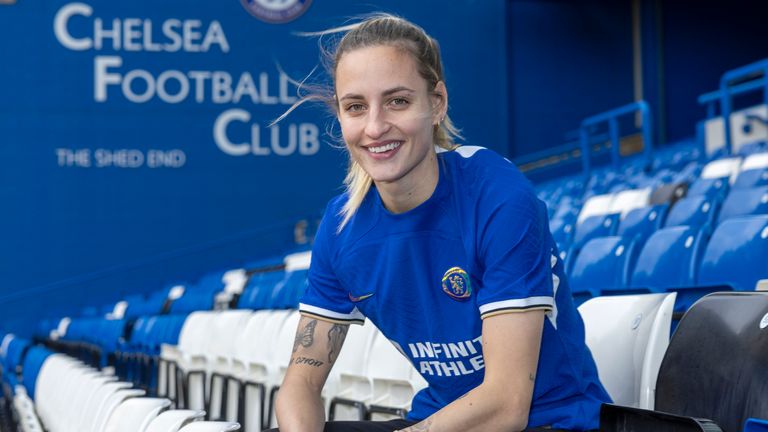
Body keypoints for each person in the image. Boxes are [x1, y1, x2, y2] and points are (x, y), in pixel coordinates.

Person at [269, 14, 610, 432]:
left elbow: (506, 404)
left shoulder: (498, 197)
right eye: (355, 107)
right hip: (437, 420)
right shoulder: (342, 227)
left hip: (548, 422)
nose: (375, 127)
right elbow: (299, 384)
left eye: (397, 101)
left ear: (436, 103)